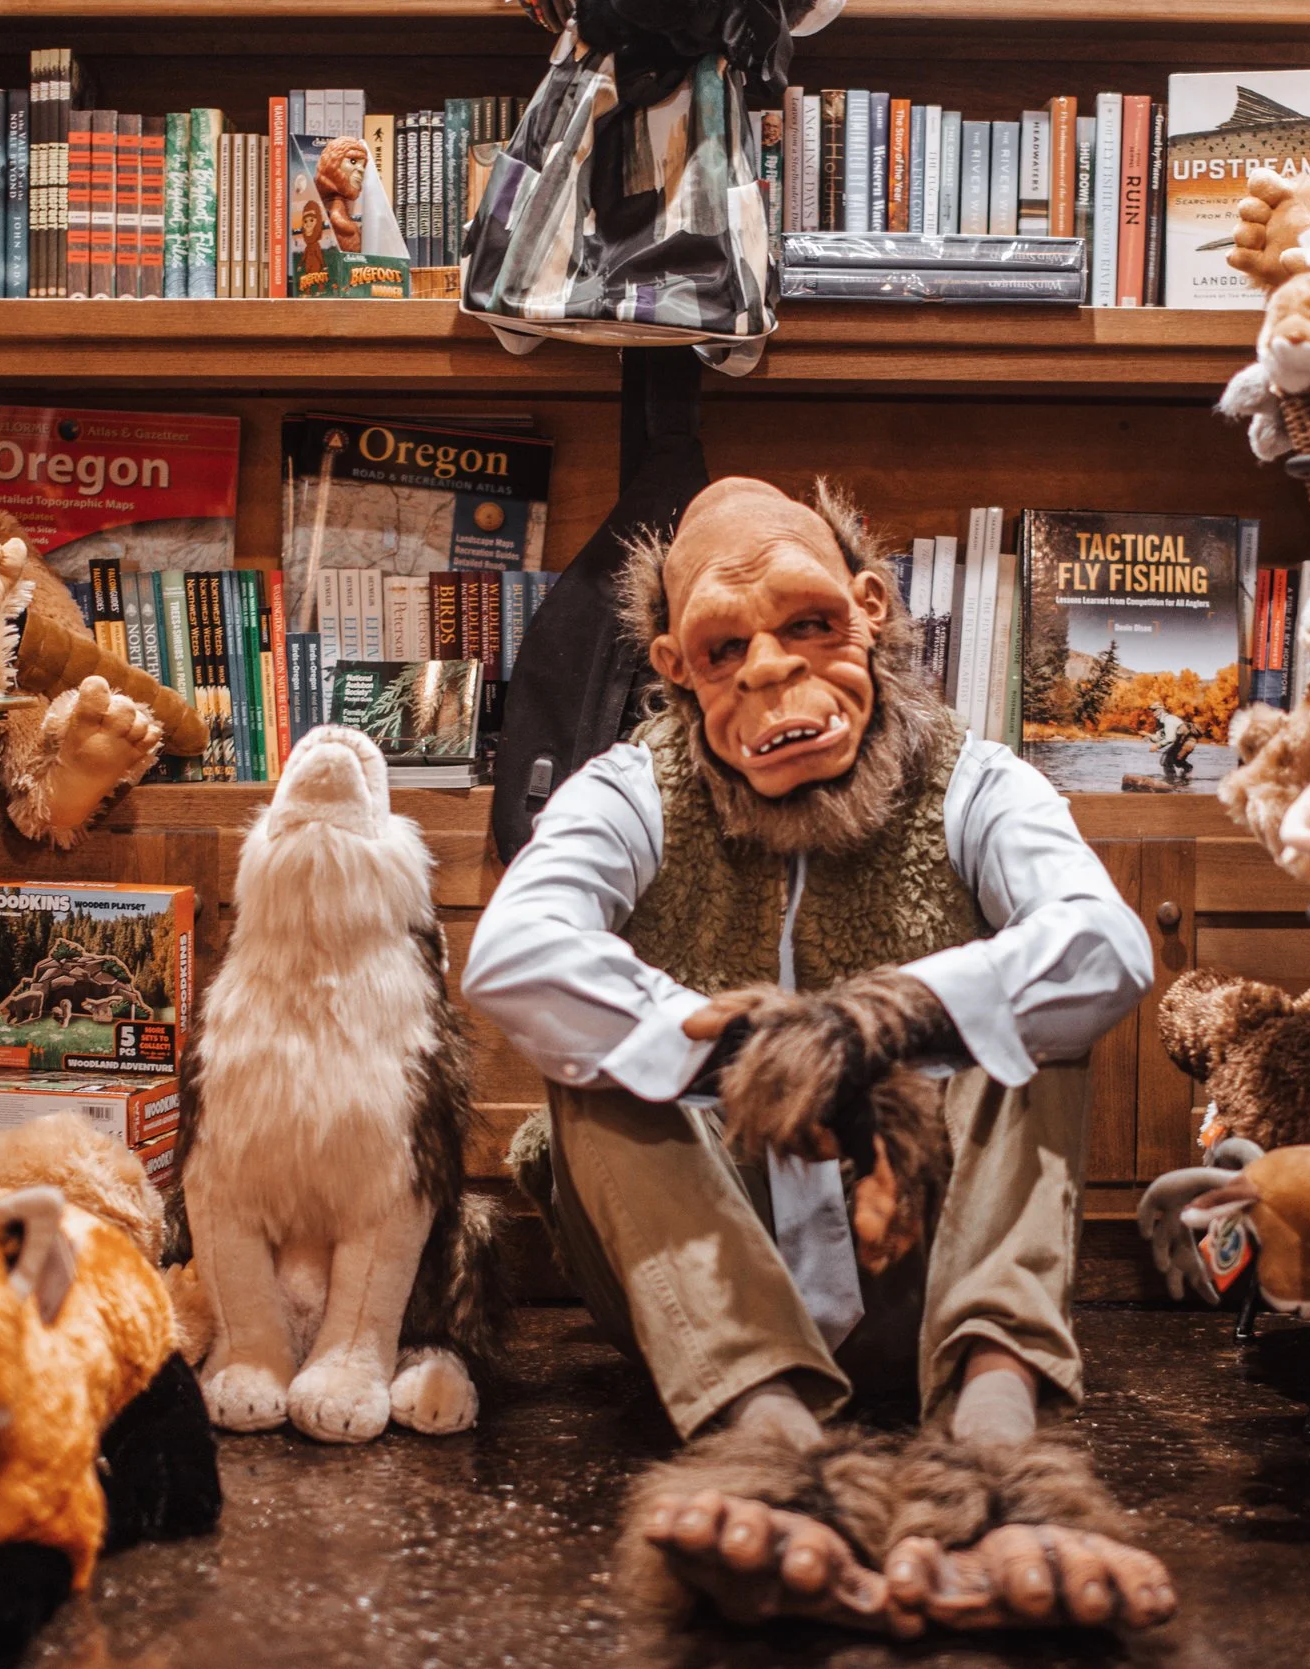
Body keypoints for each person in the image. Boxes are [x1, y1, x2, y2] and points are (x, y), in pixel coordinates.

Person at [465, 476, 1175, 1637]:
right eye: (723, 647)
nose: (769, 674)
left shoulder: (976, 777)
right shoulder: (629, 788)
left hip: (927, 1265)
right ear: (674, 667)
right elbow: (515, 957)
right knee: (590, 1061)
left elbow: (1104, 945)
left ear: (872, 607)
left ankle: (999, 1455)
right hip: (695, 1293)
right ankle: (766, 1443)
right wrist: (758, 1052)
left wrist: (874, 1024)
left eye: (809, 627)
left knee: (1037, 1019)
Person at [1148, 703, 1197, 782]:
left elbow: (1170, 738)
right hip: (1182, 742)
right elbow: (1158, 737)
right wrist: (1148, 735)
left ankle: (1171, 781)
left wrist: (1157, 746)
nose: (1152, 712)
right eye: (1151, 710)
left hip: (1188, 741)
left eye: (1154, 710)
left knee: (1168, 760)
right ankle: (1181, 778)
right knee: (1173, 761)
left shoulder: (1168, 719)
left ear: (1161, 710)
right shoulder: (1161, 721)